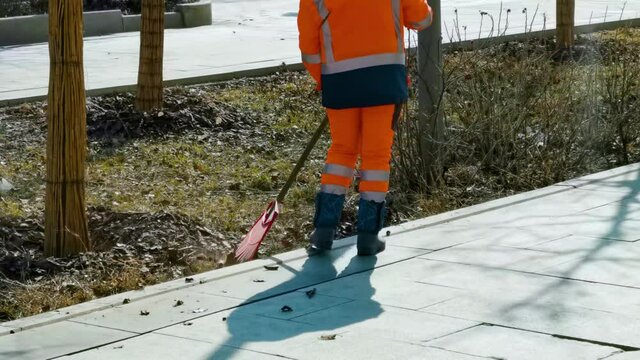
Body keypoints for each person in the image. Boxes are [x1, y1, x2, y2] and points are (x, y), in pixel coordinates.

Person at [298, 0, 433, 256]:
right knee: (376, 156)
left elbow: (308, 44)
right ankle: (369, 236)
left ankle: (324, 230)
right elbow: (421, 19)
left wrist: (324, 79)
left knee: (341, 151)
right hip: (385, 79)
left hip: (339, 79)